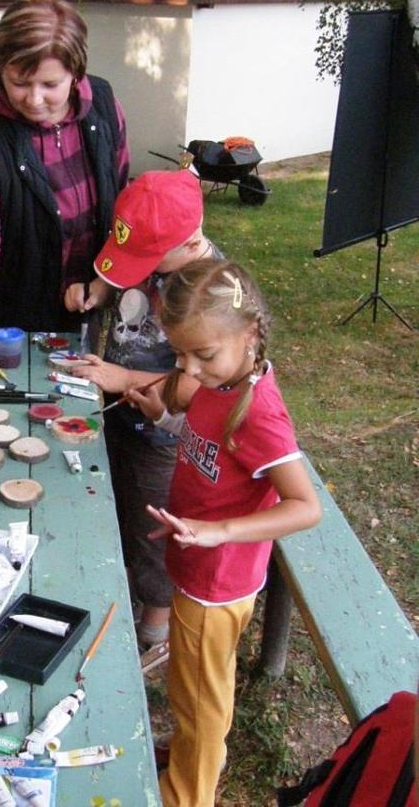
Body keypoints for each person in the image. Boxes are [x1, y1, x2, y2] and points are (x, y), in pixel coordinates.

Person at [126, 260, 321, 807]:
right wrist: (166, 419)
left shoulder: (259, 412)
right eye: (180, 354)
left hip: (220, 585)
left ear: (249, 334)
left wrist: (219, 531)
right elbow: (207, 443)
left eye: (202, 355)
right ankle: (189, 746)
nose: (189, 368)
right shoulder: (221, 378)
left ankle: (190, 793)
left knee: (205, 699)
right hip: (194, 571)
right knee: (188, 685)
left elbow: (305, 507)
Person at [0, 0, 130, 397]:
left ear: (76, 72)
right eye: (20, 82)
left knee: (72, 418)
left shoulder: (105, 107)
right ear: (0, 67)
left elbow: (123, 205)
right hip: (7, 324)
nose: (34, 99)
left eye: (50, 84)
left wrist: (108, 278)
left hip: (84, 308)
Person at [67, 169, 222, 649]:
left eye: (148, 260)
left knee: (155, 526)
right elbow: (128, 271)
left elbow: (204, 386)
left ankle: (155, 626)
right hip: (123, 412)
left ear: (189, 241)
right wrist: (101, 288)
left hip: (166, 434)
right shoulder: (165, 252)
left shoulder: (210, 295)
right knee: (122, 505)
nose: (143, 268)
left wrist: (126, 379)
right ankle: (124, 588)